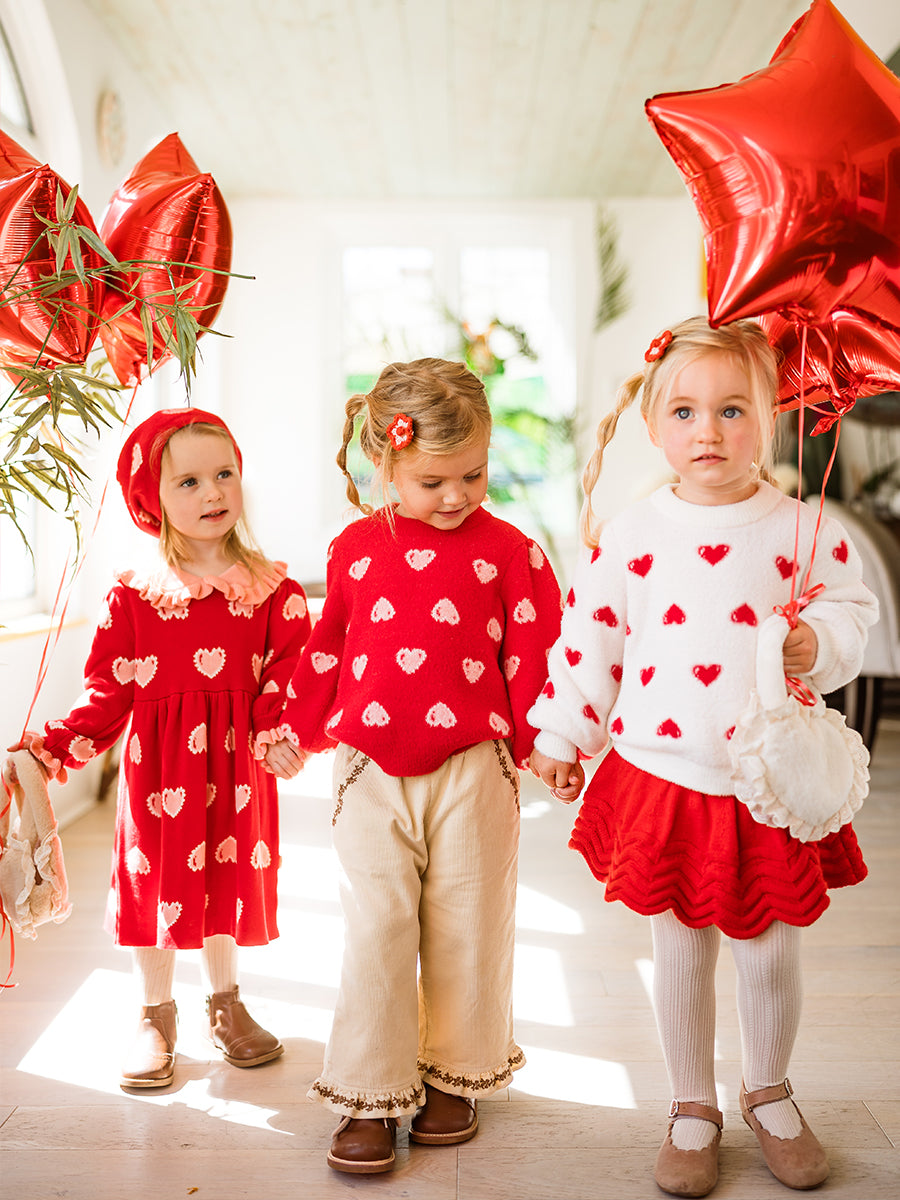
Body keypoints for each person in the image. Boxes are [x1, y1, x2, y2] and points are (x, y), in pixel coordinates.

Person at [527, 318, 878, 1198]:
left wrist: (819, 640)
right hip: (666, 774)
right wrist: (562, 733)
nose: (708, 431)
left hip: (768, 783)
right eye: (684, 411)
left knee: (768, 952)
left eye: (732, 410)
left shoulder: (803, 527)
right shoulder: (632, 533)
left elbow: (852, 608)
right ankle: (691, 1103)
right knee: (679, 949)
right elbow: (591, 639)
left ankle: (769, 1091)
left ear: (770, 418)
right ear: (654, 425)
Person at [263, 358, 562, 1174]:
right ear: (385, 462)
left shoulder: (513, 553)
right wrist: (294, 730)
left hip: (476, 765)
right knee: (376, 929)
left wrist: (549, 746)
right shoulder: (355, 550)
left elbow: (535, 658)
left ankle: (455, 1076)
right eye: (434, 481)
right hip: (368, 769)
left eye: (474, 474)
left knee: (470, 922)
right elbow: (328, 652)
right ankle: (368, 1090)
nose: (457, 496)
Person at [6, 408, 311, 1089]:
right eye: (189, 481)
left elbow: (288, 675)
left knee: (226, 880)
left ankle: (225, 1003)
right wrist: (55, 746)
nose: (213, 493)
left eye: (224, 474)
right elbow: (107, 692)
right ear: (153, 498)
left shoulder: (275, 592)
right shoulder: (134, 598)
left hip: (236, 770)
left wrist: (279, 733)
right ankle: (154, 1013)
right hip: (158, 776)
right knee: (158, 881)